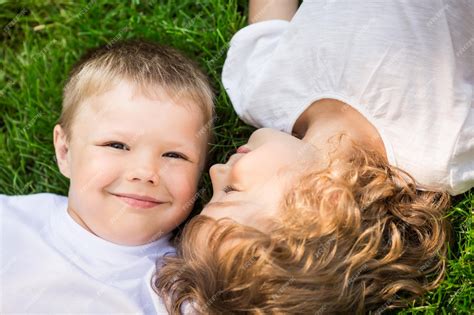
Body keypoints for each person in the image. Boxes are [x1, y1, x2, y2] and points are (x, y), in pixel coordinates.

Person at [154, 0, 473, 313]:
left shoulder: (258, 91)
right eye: (230, 192)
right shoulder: (442, 147)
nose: (215, 171)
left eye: (209, 195)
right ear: (324, 205)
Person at [0, 39, 214, 313]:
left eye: (174, 155)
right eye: (117, 146)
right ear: (65, 152)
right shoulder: (9, 222)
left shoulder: (184, 290)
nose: (145, 173)